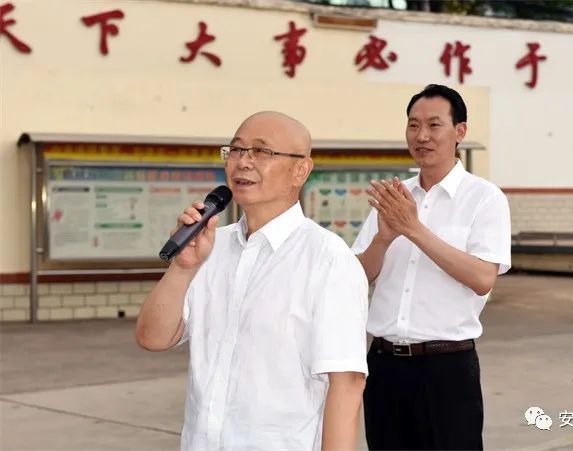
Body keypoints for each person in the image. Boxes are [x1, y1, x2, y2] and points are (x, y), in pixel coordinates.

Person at [136, 111, 368, 451]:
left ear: (301, 170)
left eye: (261, 151)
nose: (243, 162)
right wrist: (182, 269)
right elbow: (153, 338)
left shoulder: (328, 259)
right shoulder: (210, 247)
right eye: (236, 150)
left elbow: (346, 383)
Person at [352, 84, 511, 451]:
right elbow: (358, 276)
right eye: (413, 125)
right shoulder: (395, 197)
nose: (421, 135)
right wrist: (383, 239)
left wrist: (414, 230)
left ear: (460, 131)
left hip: (447, 369)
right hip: (384, 364)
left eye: (434, 125)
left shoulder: (484, 198)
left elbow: (482, 278)